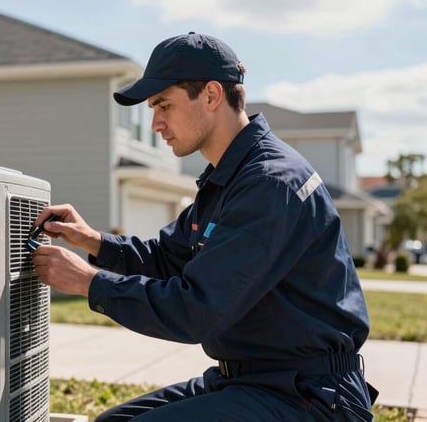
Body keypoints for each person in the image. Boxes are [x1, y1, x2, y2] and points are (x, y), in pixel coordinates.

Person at [31, 32, 377, 421]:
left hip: (309, 397)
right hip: (252, 381)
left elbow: (196, 309)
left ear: (211, 95)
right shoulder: (229, 179)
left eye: (164, 105)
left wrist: (88, 282)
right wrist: (93, 240)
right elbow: (168, 257)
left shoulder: (269, 182)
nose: (156, 123)